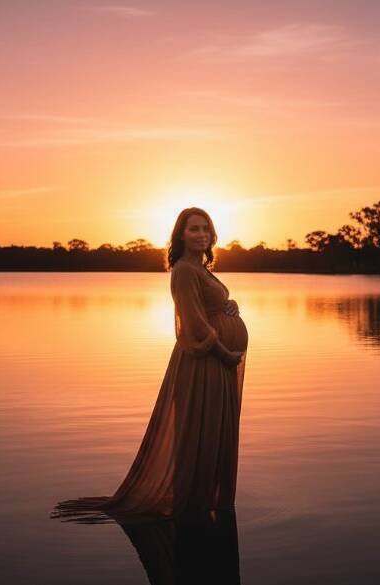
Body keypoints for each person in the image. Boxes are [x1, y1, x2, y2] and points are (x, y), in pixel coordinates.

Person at [52, 207, 248, 522]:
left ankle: (201, 503)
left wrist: (229, 304)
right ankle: (192, 507)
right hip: (205, 364)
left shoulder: (200, 268)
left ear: (212, 235)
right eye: (194, 229)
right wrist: (226, 354)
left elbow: (205, 307)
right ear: (181, 235)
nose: (201, 234)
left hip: (217, 362)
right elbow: (193, 324)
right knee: (198, 434)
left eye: (205, 229)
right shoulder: (184, 269)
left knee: (211, 433)